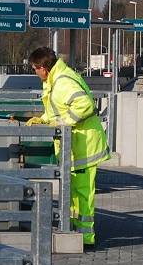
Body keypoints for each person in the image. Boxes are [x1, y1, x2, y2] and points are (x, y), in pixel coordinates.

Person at [25, 47, 110, 247]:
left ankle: (86, 237)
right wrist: (43, 120)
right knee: (73, 191)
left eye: (35, 68)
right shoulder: (56, 80)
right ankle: (74, 229)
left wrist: (62, 124)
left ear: (44, 68)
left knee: (82, 193)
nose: (35, 73)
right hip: (77, 146)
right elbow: (59, 109)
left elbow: (85, 105)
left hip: (84, 147)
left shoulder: (62, 82)